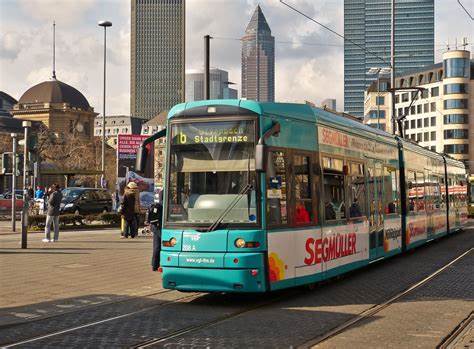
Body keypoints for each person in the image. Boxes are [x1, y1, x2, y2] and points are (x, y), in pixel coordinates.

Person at [146, 190, 163, 271]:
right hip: (161, 227)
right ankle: (159, 264)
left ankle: (154, 264)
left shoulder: (157, 204)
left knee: (156, 246)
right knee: (160, 246)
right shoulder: (165, 204)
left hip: (155, 226)